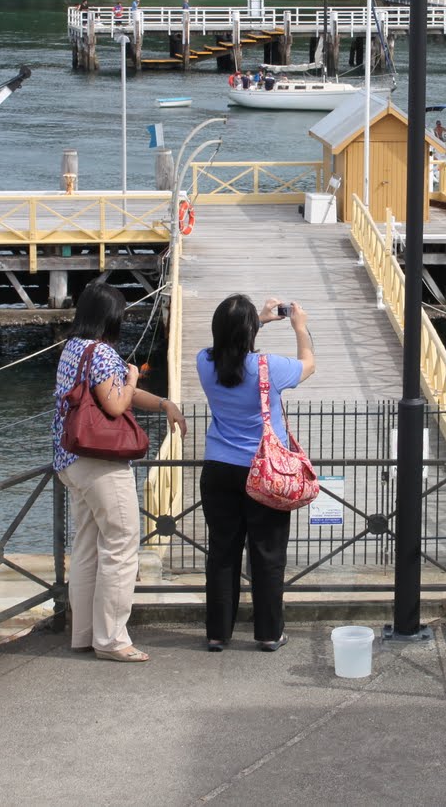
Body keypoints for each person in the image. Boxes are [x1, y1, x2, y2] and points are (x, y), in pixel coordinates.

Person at [52, 282, 186, 663]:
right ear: (112, 318)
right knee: (122, 543)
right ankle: (111, 639)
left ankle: (84, 633)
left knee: (88, 545)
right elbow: (115, 404)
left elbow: (109, 394)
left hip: (70, 459)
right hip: (101, 463)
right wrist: (130, 377)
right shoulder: (103, 352)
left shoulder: (72, 348)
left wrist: (162, 402)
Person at [198, 294, 315, 652]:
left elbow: (228, 343)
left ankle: (218, 633)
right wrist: (300, 327)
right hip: (264, 470)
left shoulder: (205, 361)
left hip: (218, 469)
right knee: (266, 552)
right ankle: (268, 632)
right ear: (249, 333)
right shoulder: (267, 367)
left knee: (222, 552)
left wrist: (257, 321)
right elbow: (308, 364)